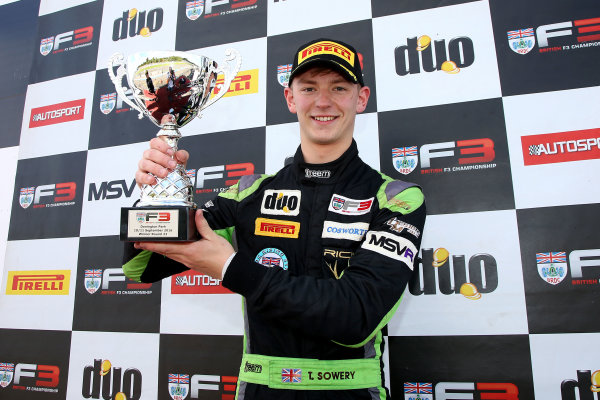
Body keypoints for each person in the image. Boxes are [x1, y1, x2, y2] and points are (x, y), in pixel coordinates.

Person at [123, 38, 426, 399]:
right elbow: (141, 265)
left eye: (339, 88)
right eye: (309, 88)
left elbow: (355, 316)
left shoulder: (396, 198)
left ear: (361, 98)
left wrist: (230, 268)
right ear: (290, 98)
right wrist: (155, 192)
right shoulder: (248, 194)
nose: (323, 101)